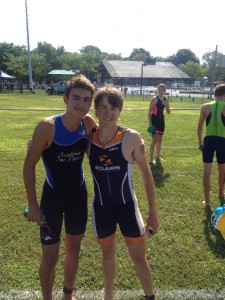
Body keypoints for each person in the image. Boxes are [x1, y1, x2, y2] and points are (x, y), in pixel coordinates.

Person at [23, 75, 97, 300]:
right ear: (65, 99)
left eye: (86, 100)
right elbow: (28, 167)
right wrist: (33, 205)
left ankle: (67, 294)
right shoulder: (48, 127)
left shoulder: (88, 124)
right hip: (52, 201)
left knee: (74, 250)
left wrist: (133, 139)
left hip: (77, 198)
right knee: (50, 257)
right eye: (76, 98)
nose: (80, 104)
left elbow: (106, 142)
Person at [87, 86, 159, 300]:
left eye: (113, 108)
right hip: (101, 209)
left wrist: (152, 211)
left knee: (139, 259)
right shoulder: (88, 137)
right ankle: (108, 296)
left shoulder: (131, 137)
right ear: (96, 111)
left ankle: (150, 295)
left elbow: (147, 174)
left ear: (120, 110)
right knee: (107, 256)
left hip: (127, 208)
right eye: (103, 108)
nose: (108, 113)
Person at [197, 83, 225, 206]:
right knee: (222, 170)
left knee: (207, 171)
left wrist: (200, 143)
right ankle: (220, 192)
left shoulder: (205, 107)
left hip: (208, 141)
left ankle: (207, 201)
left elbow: (199, 128)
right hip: (222, 141)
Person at [147, 84, 170, 164]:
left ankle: (158, 156)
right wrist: (150, 124)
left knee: (160, 140)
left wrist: (166, 105)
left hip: (161, 121)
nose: (160, 91)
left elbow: (168, 112)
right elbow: (149, 112)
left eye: (162, 89)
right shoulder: (154, 99)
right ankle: (150, 159)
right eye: (159, 89)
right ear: (157, 90)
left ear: (164, 90)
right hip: (154, 121)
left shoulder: (166, 99)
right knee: (154, 140)